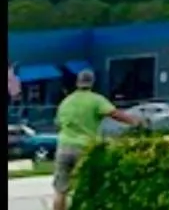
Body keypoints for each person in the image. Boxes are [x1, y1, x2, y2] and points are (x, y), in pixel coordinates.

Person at [52, 70, 141, 210]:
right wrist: (134, 121)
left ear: (77, 82)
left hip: (63, 146)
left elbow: (58, 124)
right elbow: (114, 113)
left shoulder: (66, 102)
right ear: (92, 83)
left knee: (60, 190)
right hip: (84, 148)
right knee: (85, 187)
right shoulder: (96, 99)